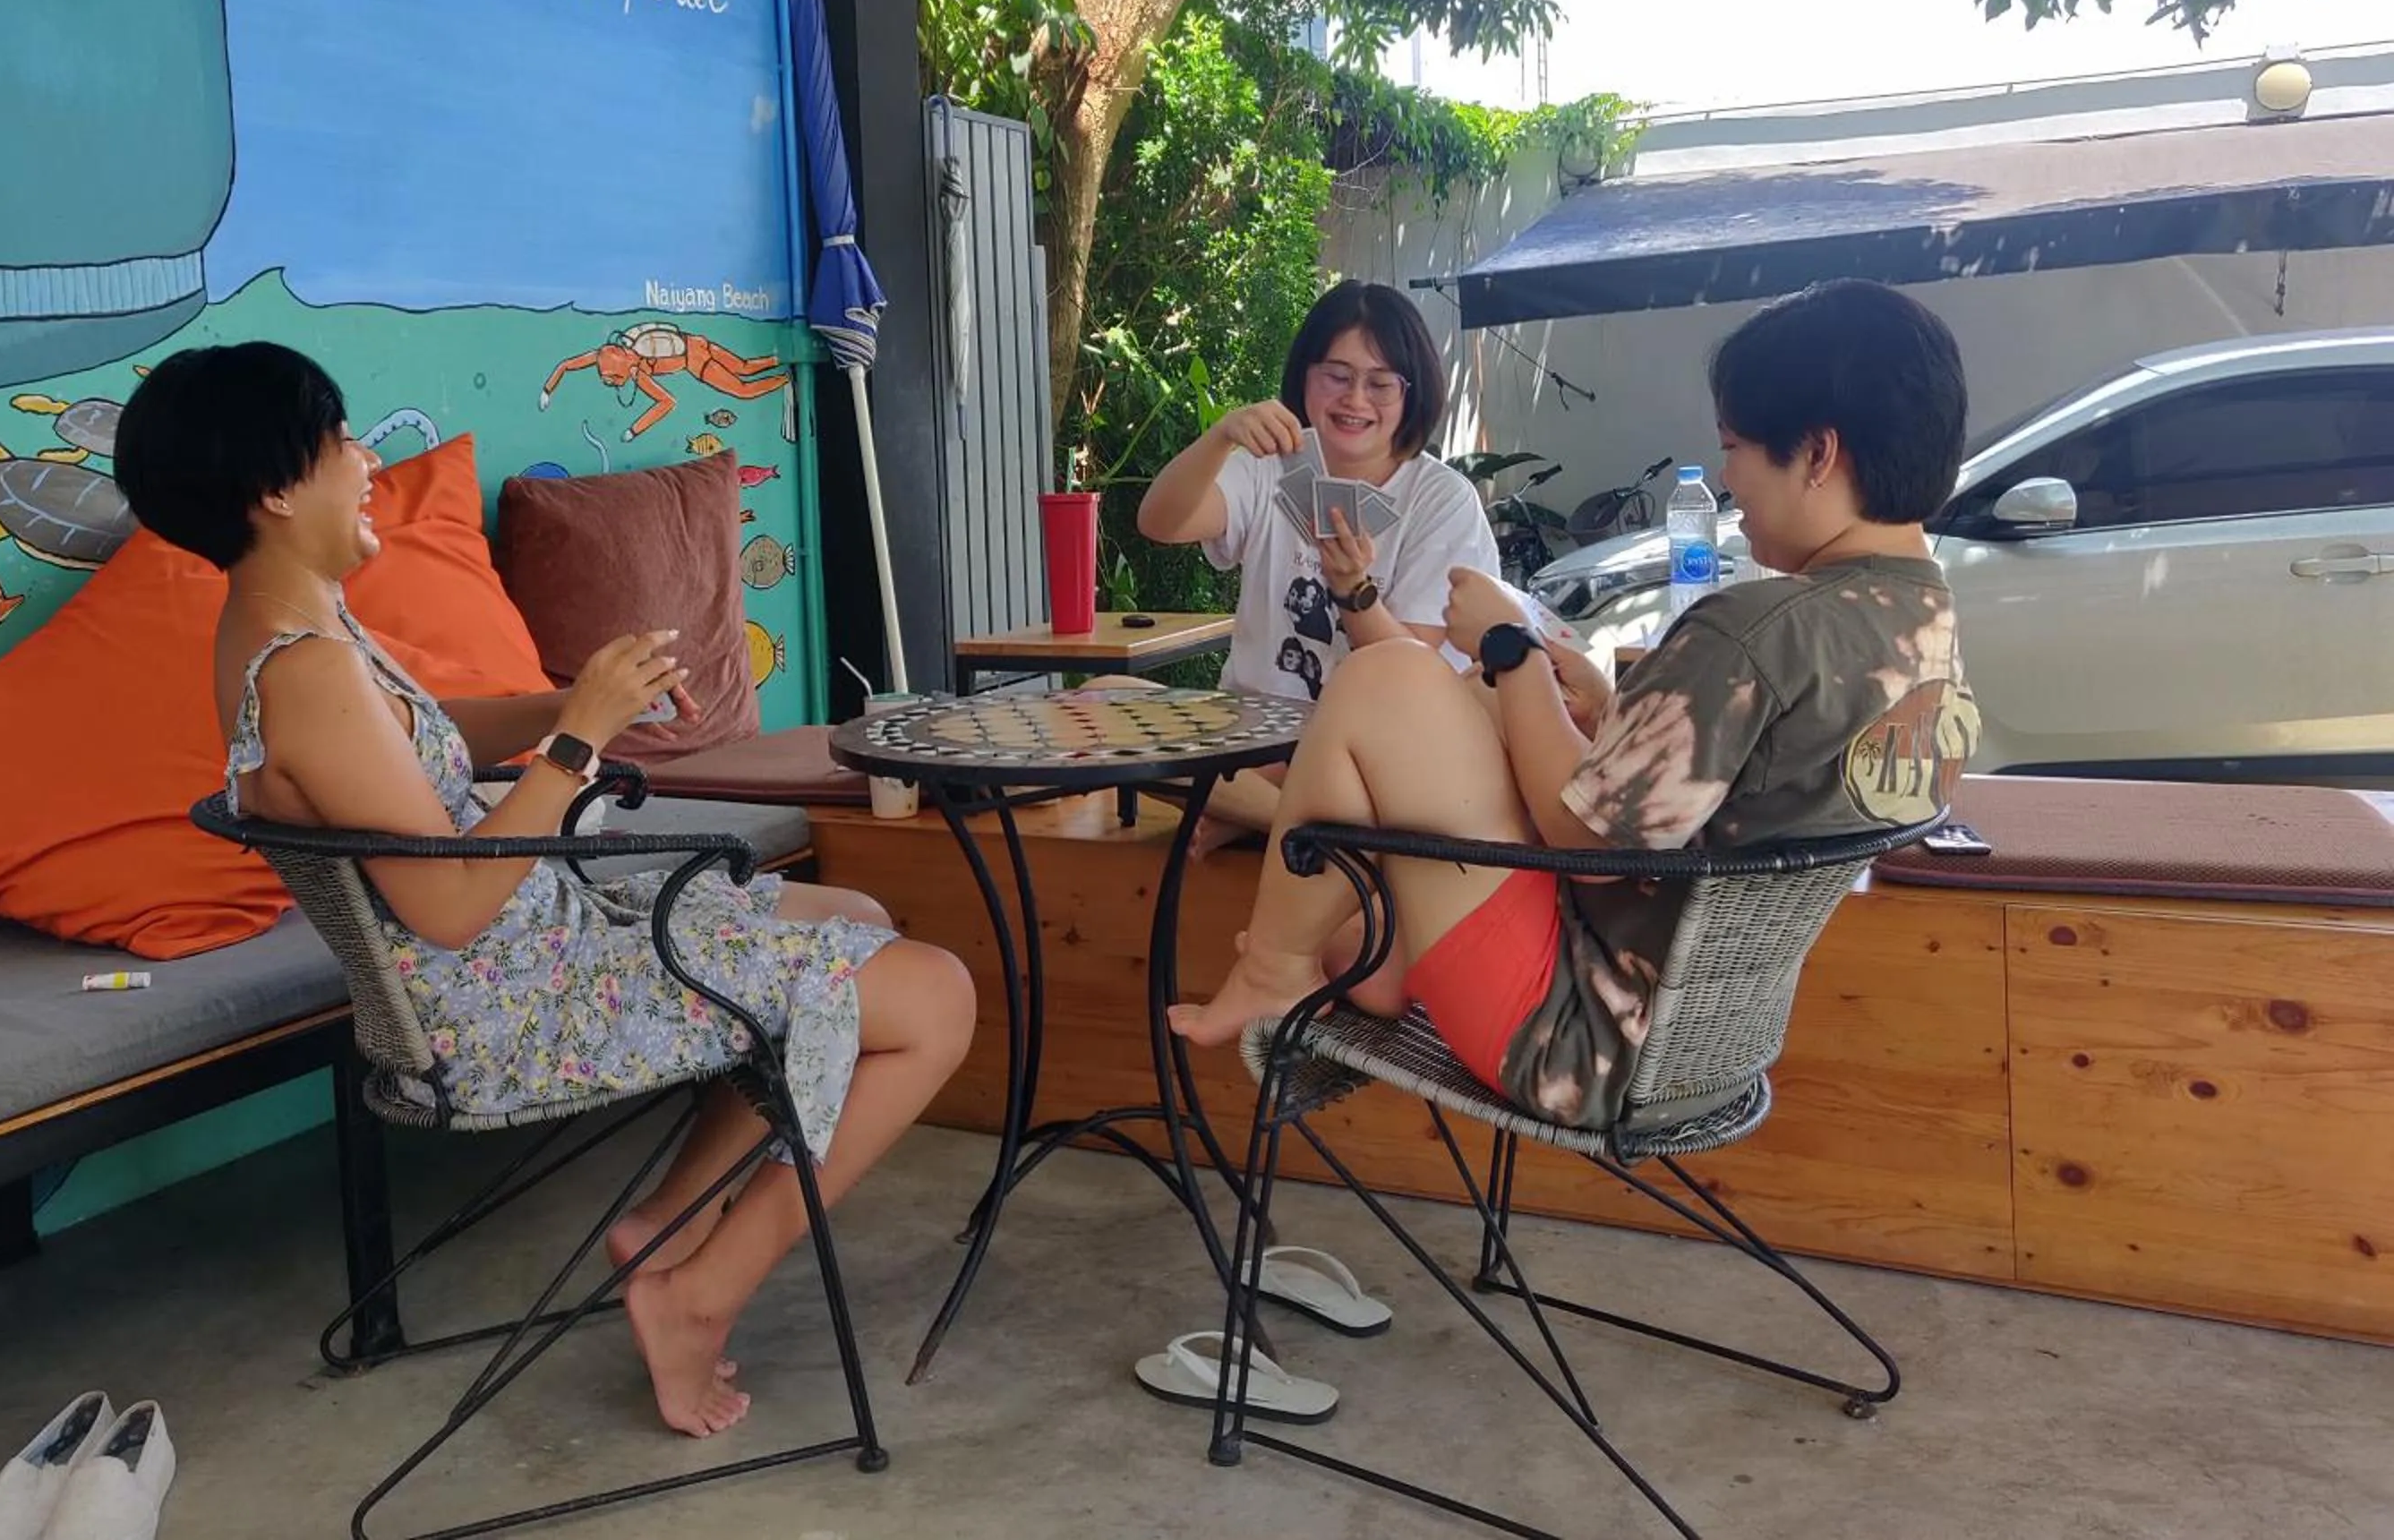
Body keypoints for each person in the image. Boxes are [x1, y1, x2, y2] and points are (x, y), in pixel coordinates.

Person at [112, 342, 975, 1440]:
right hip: (510, 1002)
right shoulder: (307, 669)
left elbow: (413, 748)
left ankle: (663, 1225)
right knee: (937, 998)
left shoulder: (294, 629)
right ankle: (697, 1291)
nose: (364, 461)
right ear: (276, 490)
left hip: (538, 940)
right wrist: (581, 737)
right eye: (339, 444)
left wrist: (563, 702)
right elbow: (449, 909)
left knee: (855, 924)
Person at [1167, 279, 1981, 1132]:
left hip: (1573, 1040)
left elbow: (1584, 842)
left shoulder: (1754, 631)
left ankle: (1277, 964)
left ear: (1817, 454)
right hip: (1702, 1041)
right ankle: (1370, 953)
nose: (1731, 480)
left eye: (1734, 447)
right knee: (1455, 709)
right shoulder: (1927, 627)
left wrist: (1508, 650)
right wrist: (1606, 707)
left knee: (1389, 681)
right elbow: (1733, 788)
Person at [1136, 280, 1501, 831]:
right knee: (1099, 699)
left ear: (1411, 393)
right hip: (1252, 737)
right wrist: (1220, 438)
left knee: (1341, 773)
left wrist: (1353, 591)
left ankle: (1249, 810)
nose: (1355, 400)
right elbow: (1160, 523)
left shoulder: (1442, 499)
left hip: (1367, 754)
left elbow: (1414, 678)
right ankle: (1277, 814)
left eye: (1380, 384)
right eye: (1336, 376)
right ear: (1304, 377)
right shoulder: (1268, 467)